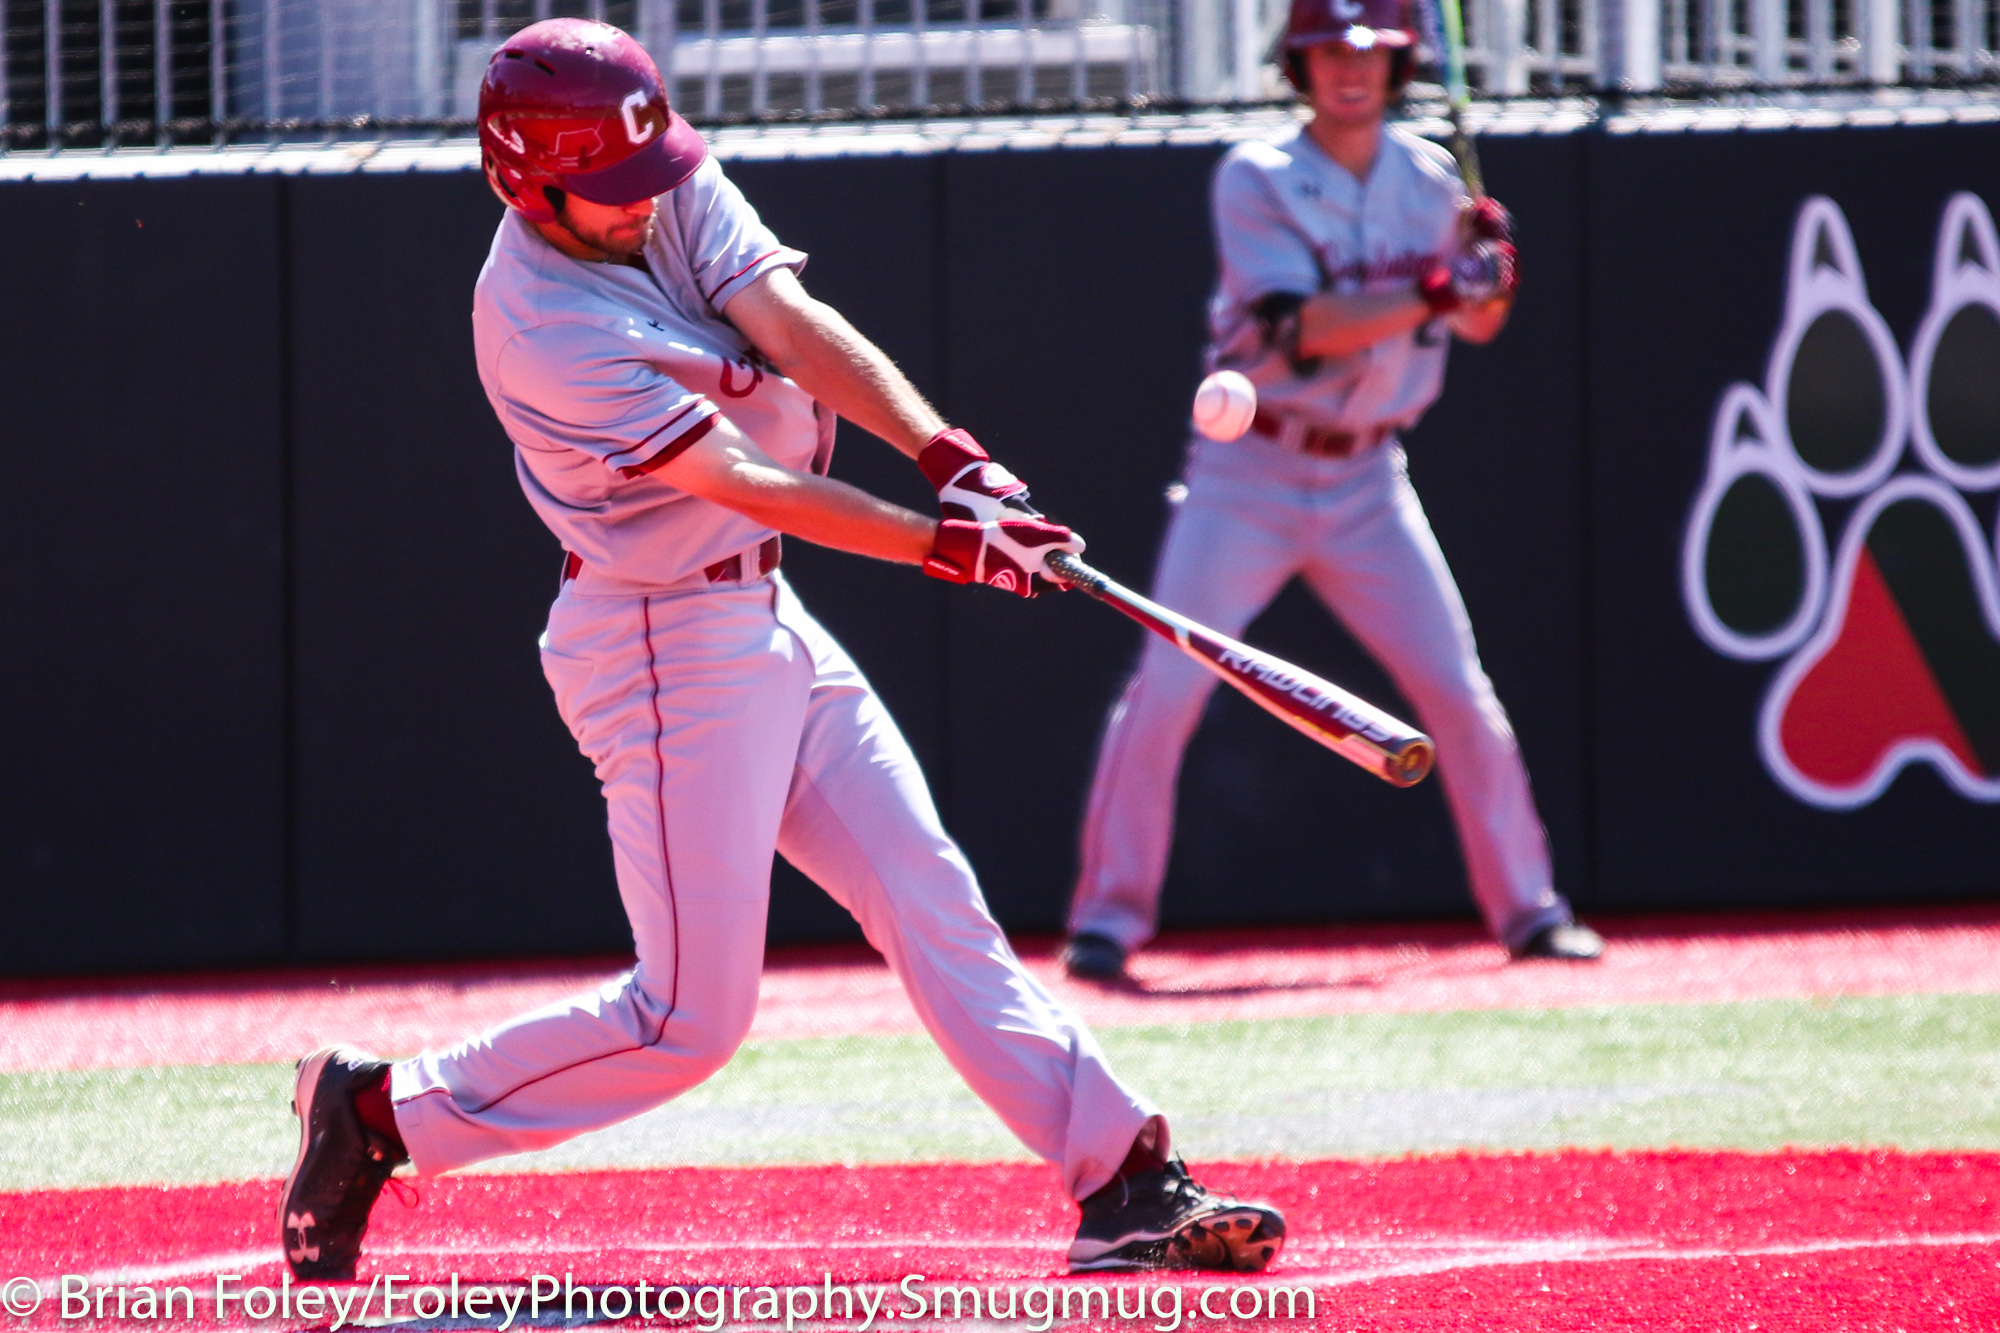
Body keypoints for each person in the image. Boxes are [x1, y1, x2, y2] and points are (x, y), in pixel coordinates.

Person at [276, 18, 1285, 1281]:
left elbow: (792, 325)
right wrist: (946, 547)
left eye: (650, 169)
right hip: (657, 642)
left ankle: (1121, 1177)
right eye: (611, 186)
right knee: (687, 1018)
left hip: (757, 613)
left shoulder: (653, 179)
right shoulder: (536, 323)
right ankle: (379, 1112)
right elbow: (748, 480)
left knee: (927, 892)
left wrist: (955, 464)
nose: (647, 199)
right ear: (529, 186)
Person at [1060, 0, 1604, 983]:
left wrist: (1492, 270)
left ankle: (1531, 910)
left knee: (1457, 691)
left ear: (1398, 64)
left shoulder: (1430, 179)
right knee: (1167, 685)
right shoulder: (1258, 174)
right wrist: (1442, 285)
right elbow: (1301, 329)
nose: (1348, 69)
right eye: (1327, 52)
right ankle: (1107, 919)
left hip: (1367, 479)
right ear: (1298, 65)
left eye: (1369, 51)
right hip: (1249, 473)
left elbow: (1479, 324)